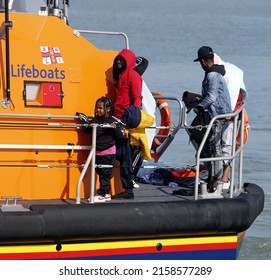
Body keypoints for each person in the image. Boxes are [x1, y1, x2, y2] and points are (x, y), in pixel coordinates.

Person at [193, 46, 232, 191]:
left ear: (203, 61)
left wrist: (199, 107)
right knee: (210, 145)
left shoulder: (212, 75)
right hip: (218, 114)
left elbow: (211, 97)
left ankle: (215, 178)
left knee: (214, 146)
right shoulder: (215, 73)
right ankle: (214, 175)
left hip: (218, 116)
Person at [112, 49, 143, 199]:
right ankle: (127, 186)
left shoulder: (133, 76)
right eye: (118, 60)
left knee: (125, 155)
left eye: (122, 60)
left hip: (126, 120)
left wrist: (132, 118)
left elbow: (137, 97)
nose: (119, 62)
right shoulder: (120, 77)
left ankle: (128, 189)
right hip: (117, 118)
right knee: (118, 152)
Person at [213, 53, 247, 187]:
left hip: (230, 115)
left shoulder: (224, 74)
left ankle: (225, 178)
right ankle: (219, 174)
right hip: (229, 113)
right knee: (220, 145)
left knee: (226, 146)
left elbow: (230, 96)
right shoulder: (235, 70)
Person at [88, 96, 124, 202]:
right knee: (99, 170)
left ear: (107, 109)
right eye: (96, 108)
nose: (97, 110)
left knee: (105, 174)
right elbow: (88, 130)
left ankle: (102, 194)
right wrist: (85, 122)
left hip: (108, 152)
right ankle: (106, 192)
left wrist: (115, 128)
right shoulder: (95, 120)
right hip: (98, 151)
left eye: (100, 108)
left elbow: (120, 136)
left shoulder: (113, 121)